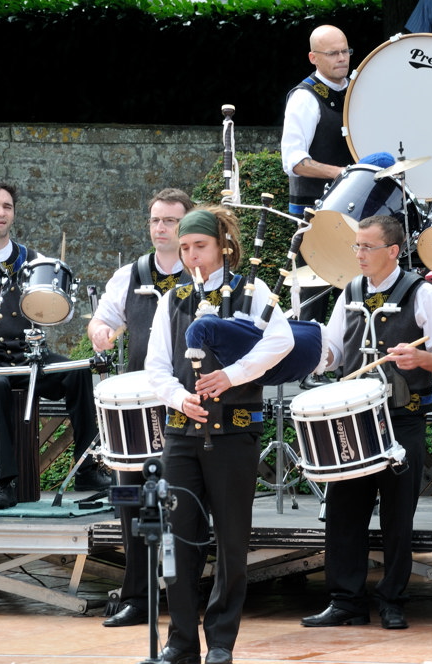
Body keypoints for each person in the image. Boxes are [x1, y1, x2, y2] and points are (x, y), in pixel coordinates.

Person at [146, 206, 297, 664]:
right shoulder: (171, 299)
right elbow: (154, 367)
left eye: (200, 246)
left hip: (233, 435)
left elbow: (282, 340)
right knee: (179, 537)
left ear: (222, 246)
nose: (192, 255)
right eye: (185, 247)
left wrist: (231, 375)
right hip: (181, 435)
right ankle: (180, 641)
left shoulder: (253, 292)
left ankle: (222, 641)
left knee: (232, 540)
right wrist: (178, 397)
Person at [301, 215, 432, 631]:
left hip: (402, 419)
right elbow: (333, 349)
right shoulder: (349, 292)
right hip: (352, 421)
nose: (359, 254)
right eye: (356, 246)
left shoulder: (422, 294)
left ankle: (392, 599)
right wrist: (315, 358)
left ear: (392, 251)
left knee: (396, 513)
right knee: (343, 511)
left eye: (367, 247)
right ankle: (346, 601)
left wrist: (421, 359)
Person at [0, 179, 108, 510]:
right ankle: (4, 483)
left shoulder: (33, 260)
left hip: (29, 358)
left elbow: (50, 306)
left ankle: (86, 466)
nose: (1, 213)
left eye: (7, 207)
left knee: (78, 372)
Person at [87, 188, 194, 628]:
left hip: (189, 403)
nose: (161, 228)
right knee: (133, 501)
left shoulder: (204, 271)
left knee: (185, 502)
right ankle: (137, 596)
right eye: (155, 220)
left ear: (186, 225)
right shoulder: (129, 274)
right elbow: (103, 319)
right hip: (137, 408)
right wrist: (99, 331)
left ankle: (188, 596)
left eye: (170, 220)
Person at [280, 24, 354, 329]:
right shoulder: (304, 98)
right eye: (332, 53)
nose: (342, 58)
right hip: (314, 211)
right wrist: (341, 173)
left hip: (354, 208)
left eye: (346, 51)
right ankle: (309, 368)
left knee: (355, 289)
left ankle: (349, 363)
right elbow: (293, 161)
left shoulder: (357, 92)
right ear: (313, 57)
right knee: (315, 292)